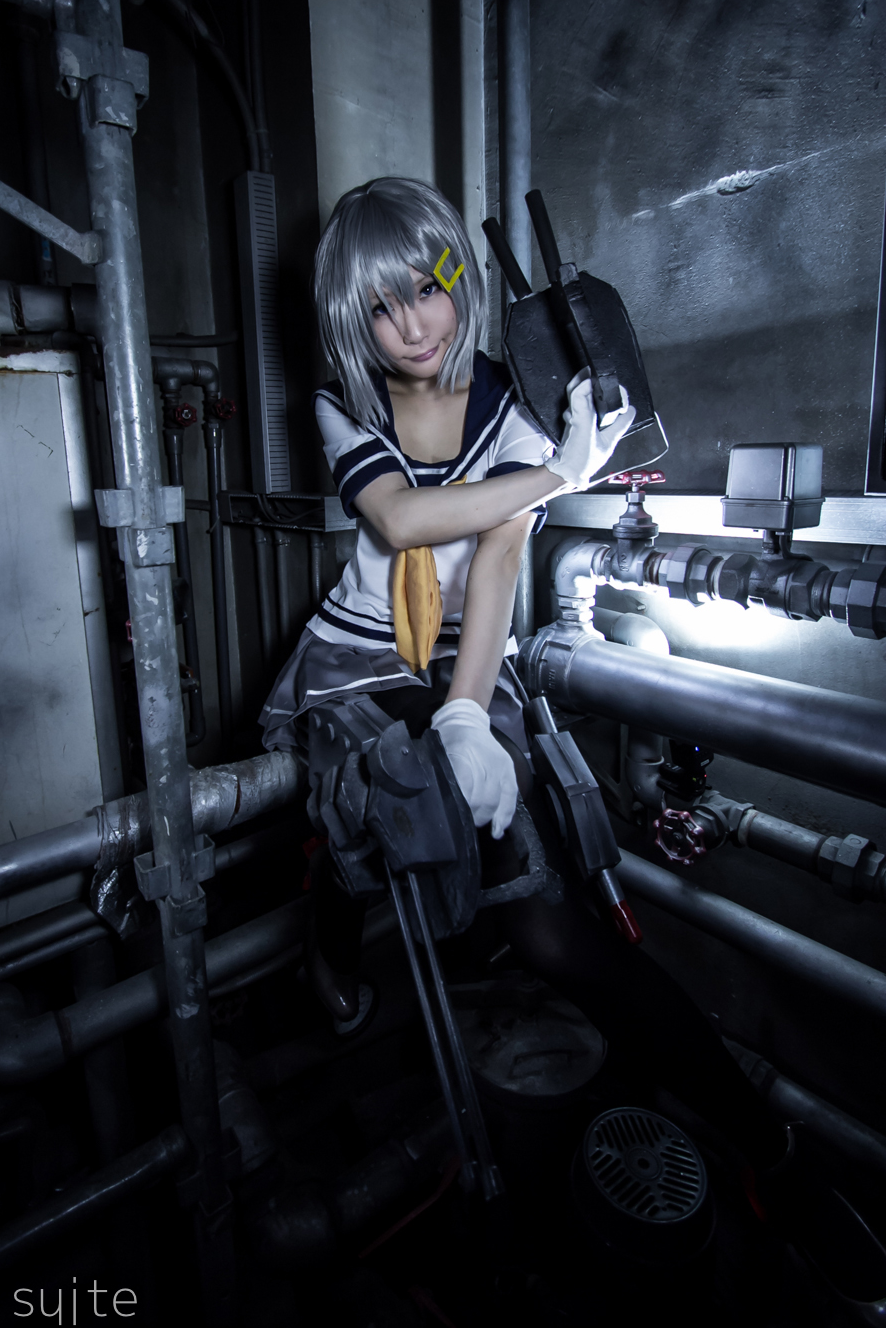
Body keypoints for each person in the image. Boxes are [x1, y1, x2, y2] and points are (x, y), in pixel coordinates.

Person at [259, 176, 886, 1312]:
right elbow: (401, 519)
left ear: (457, 278)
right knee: (362, 812)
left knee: (553, 931)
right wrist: (560, 473)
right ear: (352, 324)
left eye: (425, 291)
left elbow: (499, 558)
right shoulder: (343, 404)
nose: (411, 327)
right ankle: (327, 930)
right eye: (379, 310)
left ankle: (775, 1160)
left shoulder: (516, 402)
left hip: (462, 653)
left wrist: (466, 710)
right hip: (354, 658)